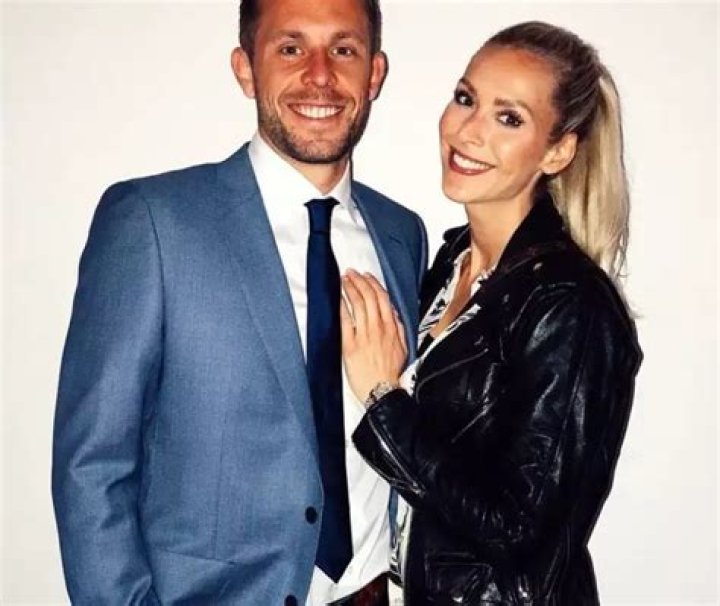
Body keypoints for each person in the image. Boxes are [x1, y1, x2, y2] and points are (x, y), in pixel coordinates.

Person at [51, 0, 427, 604]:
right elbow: (92, 466)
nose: (320, 75)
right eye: (290, 48)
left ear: (374, 73)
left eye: (344, 49)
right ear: (246, 69)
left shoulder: (401, 234)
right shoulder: (153, 221)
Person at [340, 21, 642, 605]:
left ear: (557, 151)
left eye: (509, 118)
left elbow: (516, 527)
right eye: (466, 98)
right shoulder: (449, 262)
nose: (469, 130)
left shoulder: (568, 304)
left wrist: (383, 399)